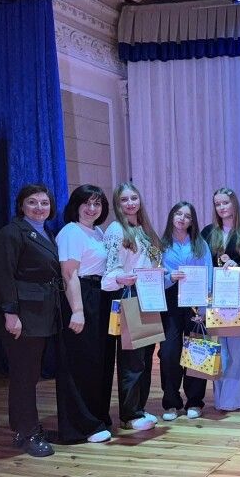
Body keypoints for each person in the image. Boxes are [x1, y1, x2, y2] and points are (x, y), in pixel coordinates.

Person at [0, 184, 61, 457]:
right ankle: (29, 432)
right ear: (21, 205)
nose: (39, 207)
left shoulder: (45, 231)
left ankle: (23, 428)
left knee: (29, 375)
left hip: (40, 314)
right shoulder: (11, 233)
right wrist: (10, 313)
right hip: (22, 315)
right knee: (24, 376)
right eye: (32, 202)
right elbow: (3, 275)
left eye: (44, 202)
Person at [102, 182, 162, 431]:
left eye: (133, 198)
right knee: (132, 359)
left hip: (150, 296)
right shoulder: (116, 229)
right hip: (131, 295)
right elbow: (111, 268)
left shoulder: (144, 228)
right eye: (124, 200)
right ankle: (129, 415)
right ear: (117, 204)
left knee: (145, 357)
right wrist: (121, 278)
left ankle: (139, 407)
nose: (130, 203)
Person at [55, 184, 112, 444]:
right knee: (80, 363)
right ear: (76, 206)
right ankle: (81, 426)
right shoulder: (71, 231)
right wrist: (77, 310)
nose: (92, 208)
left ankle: (96, 417)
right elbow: (69, 274)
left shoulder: (98, 231)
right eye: (86, 203)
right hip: (81, 297)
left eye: (97, 203)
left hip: (99, 296)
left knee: (97, 362)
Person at [201, 188, 240, 412]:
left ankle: (236, 400)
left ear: (234, 203)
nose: (222, 207)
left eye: (225, 202)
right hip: (216, 302)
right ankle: (221, 398)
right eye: (217, 204)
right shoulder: (208, 233)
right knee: (220, 353)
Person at [159, 201, 213, 421]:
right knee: (169, 352)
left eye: (187, 216)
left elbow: (208, 273)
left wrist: (205, 304)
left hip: (195, 301)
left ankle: (195, 401)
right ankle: (171, 402)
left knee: (197, 350)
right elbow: (155, 274)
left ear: (192, 221)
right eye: (178, 214)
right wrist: (169, 277)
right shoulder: (161, 244)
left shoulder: (200, 244)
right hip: (170, 300)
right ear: (172, 216)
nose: (182, 219)